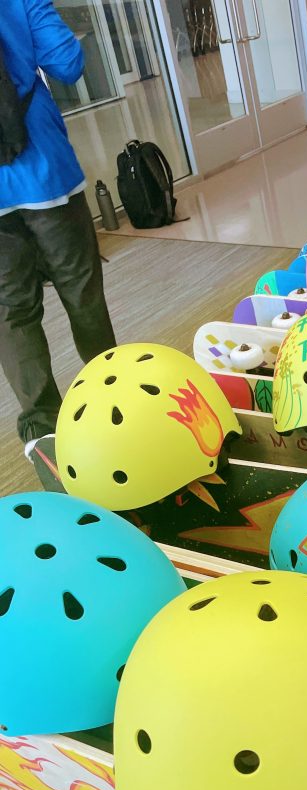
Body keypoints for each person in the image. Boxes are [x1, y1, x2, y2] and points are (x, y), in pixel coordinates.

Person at [0, 0, 116, 457]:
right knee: (80, 290)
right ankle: (109, 397)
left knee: (11, 308)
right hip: (45, 174)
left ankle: (42, 427)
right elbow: (69, 64)